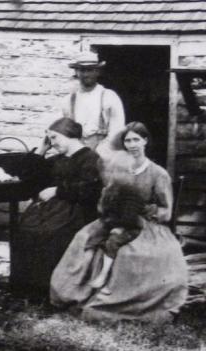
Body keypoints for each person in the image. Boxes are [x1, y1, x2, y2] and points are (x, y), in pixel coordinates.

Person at [50, 122, 188, 322]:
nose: (132, 144)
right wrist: (109, 203)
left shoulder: (158, 173)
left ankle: (118, 301)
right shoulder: (117, 167)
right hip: (114, 218)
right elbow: (107, 198)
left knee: (130, 251)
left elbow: (166, 211)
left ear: (145, 141)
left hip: (145, 224)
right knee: (83, 238)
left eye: (136, 140)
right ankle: (74, 294)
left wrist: (146, 209)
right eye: (127, 140)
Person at [13, 117, 103, 293]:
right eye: (50, 139)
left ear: (70, 135)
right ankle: (28, 288)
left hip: (78, 210)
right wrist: (41, 150)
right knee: (25, 227)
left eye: (54, 138)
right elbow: (27, 179)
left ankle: (50, 289)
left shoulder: (90, 158)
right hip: (51, 210)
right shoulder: (56, 159)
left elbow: (91, 190)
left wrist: (58, 191)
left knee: (50, 233)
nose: (52, 143)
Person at [62, 50, 125, 152]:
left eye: (90, 70)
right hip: (77, 154)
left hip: (104, 154)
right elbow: (63, 132)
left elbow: (117, 131)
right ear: (76, 72)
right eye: (82, 70)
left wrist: (100, 153)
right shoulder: (68, 100)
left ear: (98, 71)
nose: (86, 74)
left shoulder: (109, 97)